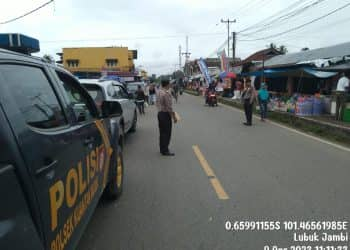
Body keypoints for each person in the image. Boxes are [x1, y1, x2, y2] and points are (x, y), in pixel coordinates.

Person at [156, 79, 177, 156]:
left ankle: (162, 149)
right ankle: (165, 150)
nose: (170, 85)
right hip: (165, 115)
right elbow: (169, 108)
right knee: (167, 133)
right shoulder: (166, 94)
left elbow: (157, 103)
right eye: (169, 84)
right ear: (167, 85)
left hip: (160, 113)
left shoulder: (158, 92)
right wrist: (174, 117)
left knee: (162, 133)